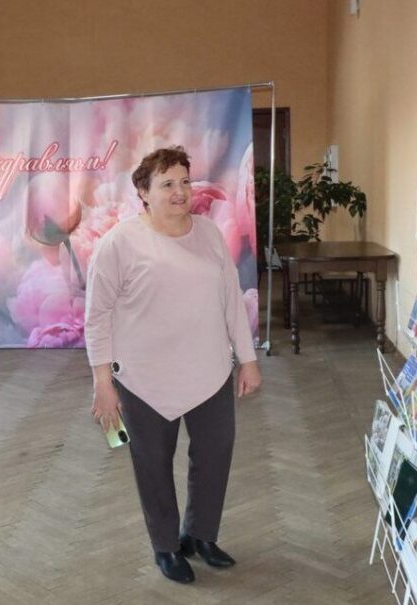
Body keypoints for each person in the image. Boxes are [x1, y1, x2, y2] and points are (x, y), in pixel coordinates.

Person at [85, 146, 262, 584]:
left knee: (215, 455)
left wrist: (248, 360)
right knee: (153, 464)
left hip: (210, 372)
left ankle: (200, 535)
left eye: (185, 181)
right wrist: (103, 383)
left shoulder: (209, 234)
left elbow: (231, 301)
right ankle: (165, 546)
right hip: (144, 379)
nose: (180, 191)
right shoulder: (119, 243)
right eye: (167, 184)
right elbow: (97, 316)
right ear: (143, 193)